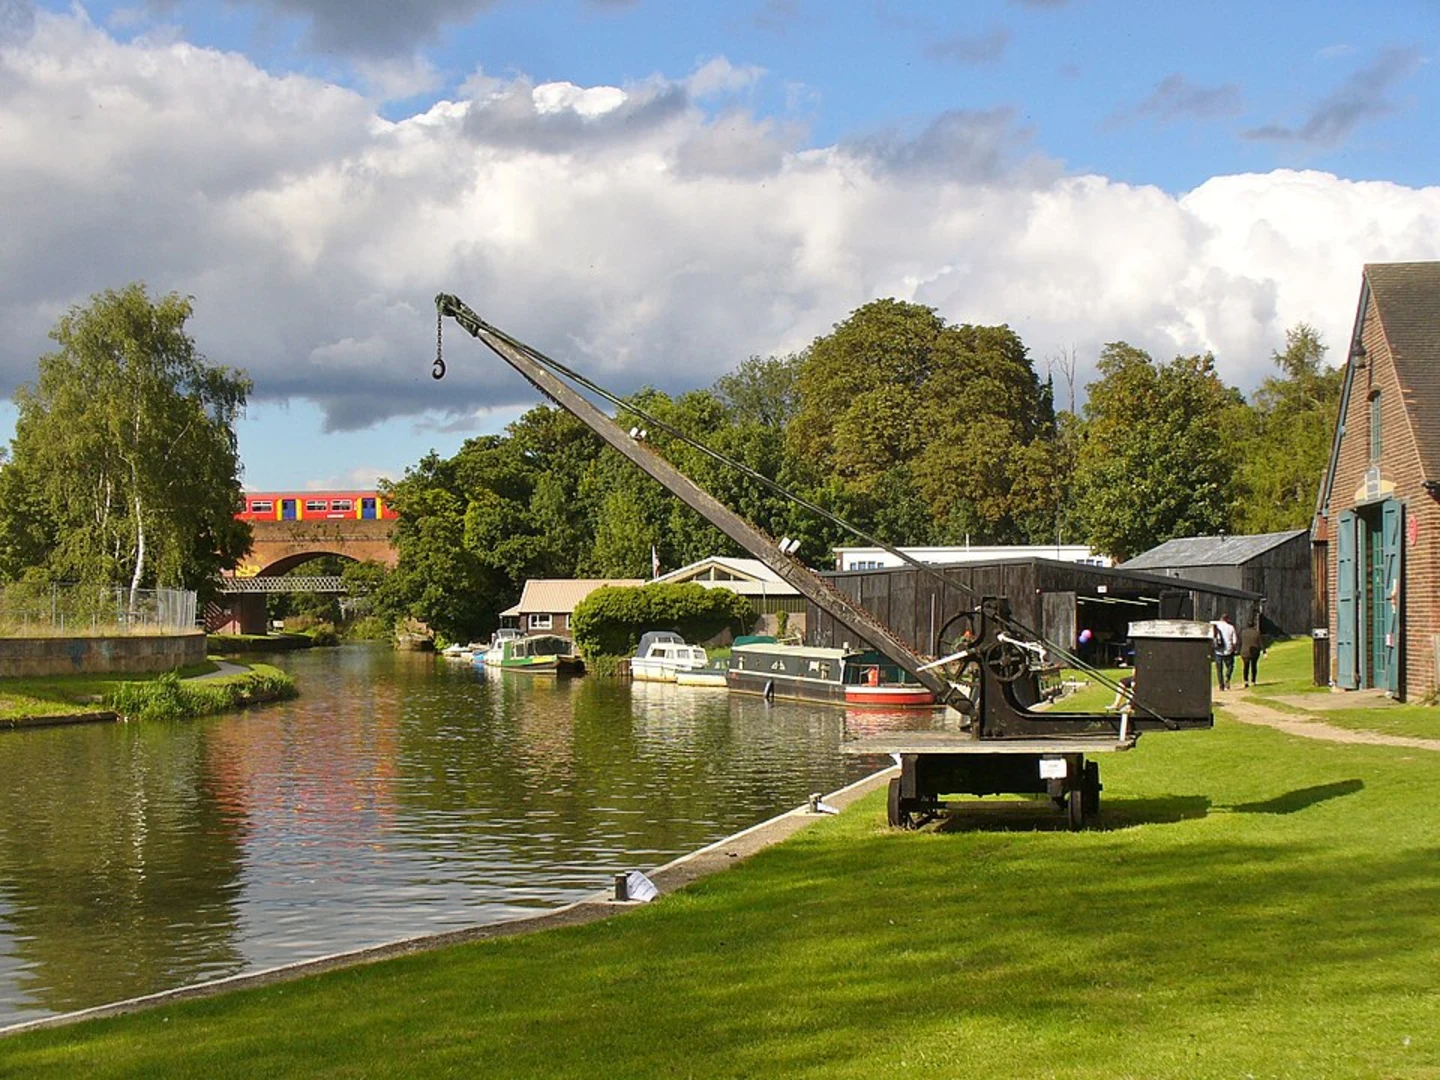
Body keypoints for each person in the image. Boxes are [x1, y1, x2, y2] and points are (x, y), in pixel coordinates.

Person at [1211, 612, 1238, 690]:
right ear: (1227, 619)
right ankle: (1228, 677)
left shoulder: (1216, 626)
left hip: (1218, 650)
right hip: (1228, 650)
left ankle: (1221, 685)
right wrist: (1233, 647)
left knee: (1219, 669)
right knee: (1230, 666)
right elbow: (1235, 641)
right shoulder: (1231, 627)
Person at [1239, 617, 1265, 688]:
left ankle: (1245, 681)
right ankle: (1253, 681)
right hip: (1254, 652)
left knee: (1245, 667)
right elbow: (1261, 643)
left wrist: (1238, 650)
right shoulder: (1256, 633)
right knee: (1254, 666)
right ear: (1253, 625)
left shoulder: (1243, 632)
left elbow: (1240, 642)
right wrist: (1264, 652)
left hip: (1244, 652)